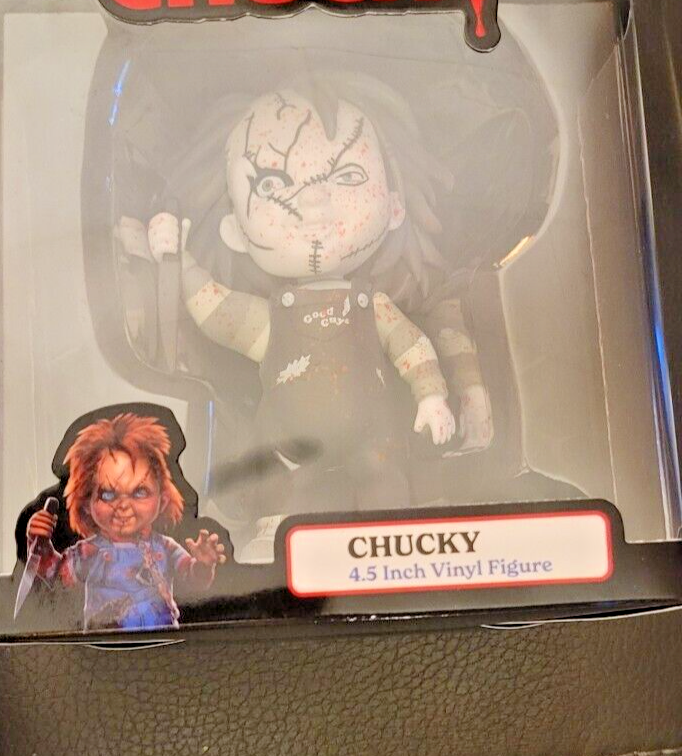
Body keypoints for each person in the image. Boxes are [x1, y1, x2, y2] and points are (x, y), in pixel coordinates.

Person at [142, 74, 491, 561]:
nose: (313, 199)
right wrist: (178, 261)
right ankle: (280, 530)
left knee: (384, 483)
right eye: (271, 183)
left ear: (395, 207)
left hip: (375, 438)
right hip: (292, 448)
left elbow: (412, 347)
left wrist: (431, 396)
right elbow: (215, 310)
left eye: (346, 175)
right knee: (294, 493)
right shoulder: (272, 319)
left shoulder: (373, 305)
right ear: (234, 230)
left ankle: (394, 531)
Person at [25, 412, 226, 631]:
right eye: (108, 494)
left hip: (165, 646)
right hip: (105, 647)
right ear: (87, 504)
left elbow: (193, 580)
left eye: (139, 492)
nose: (123, 505)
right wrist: (39, 541)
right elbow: (54, 574)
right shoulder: (88, 553)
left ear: (162, 500)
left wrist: (204, 565)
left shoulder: (165, 547)